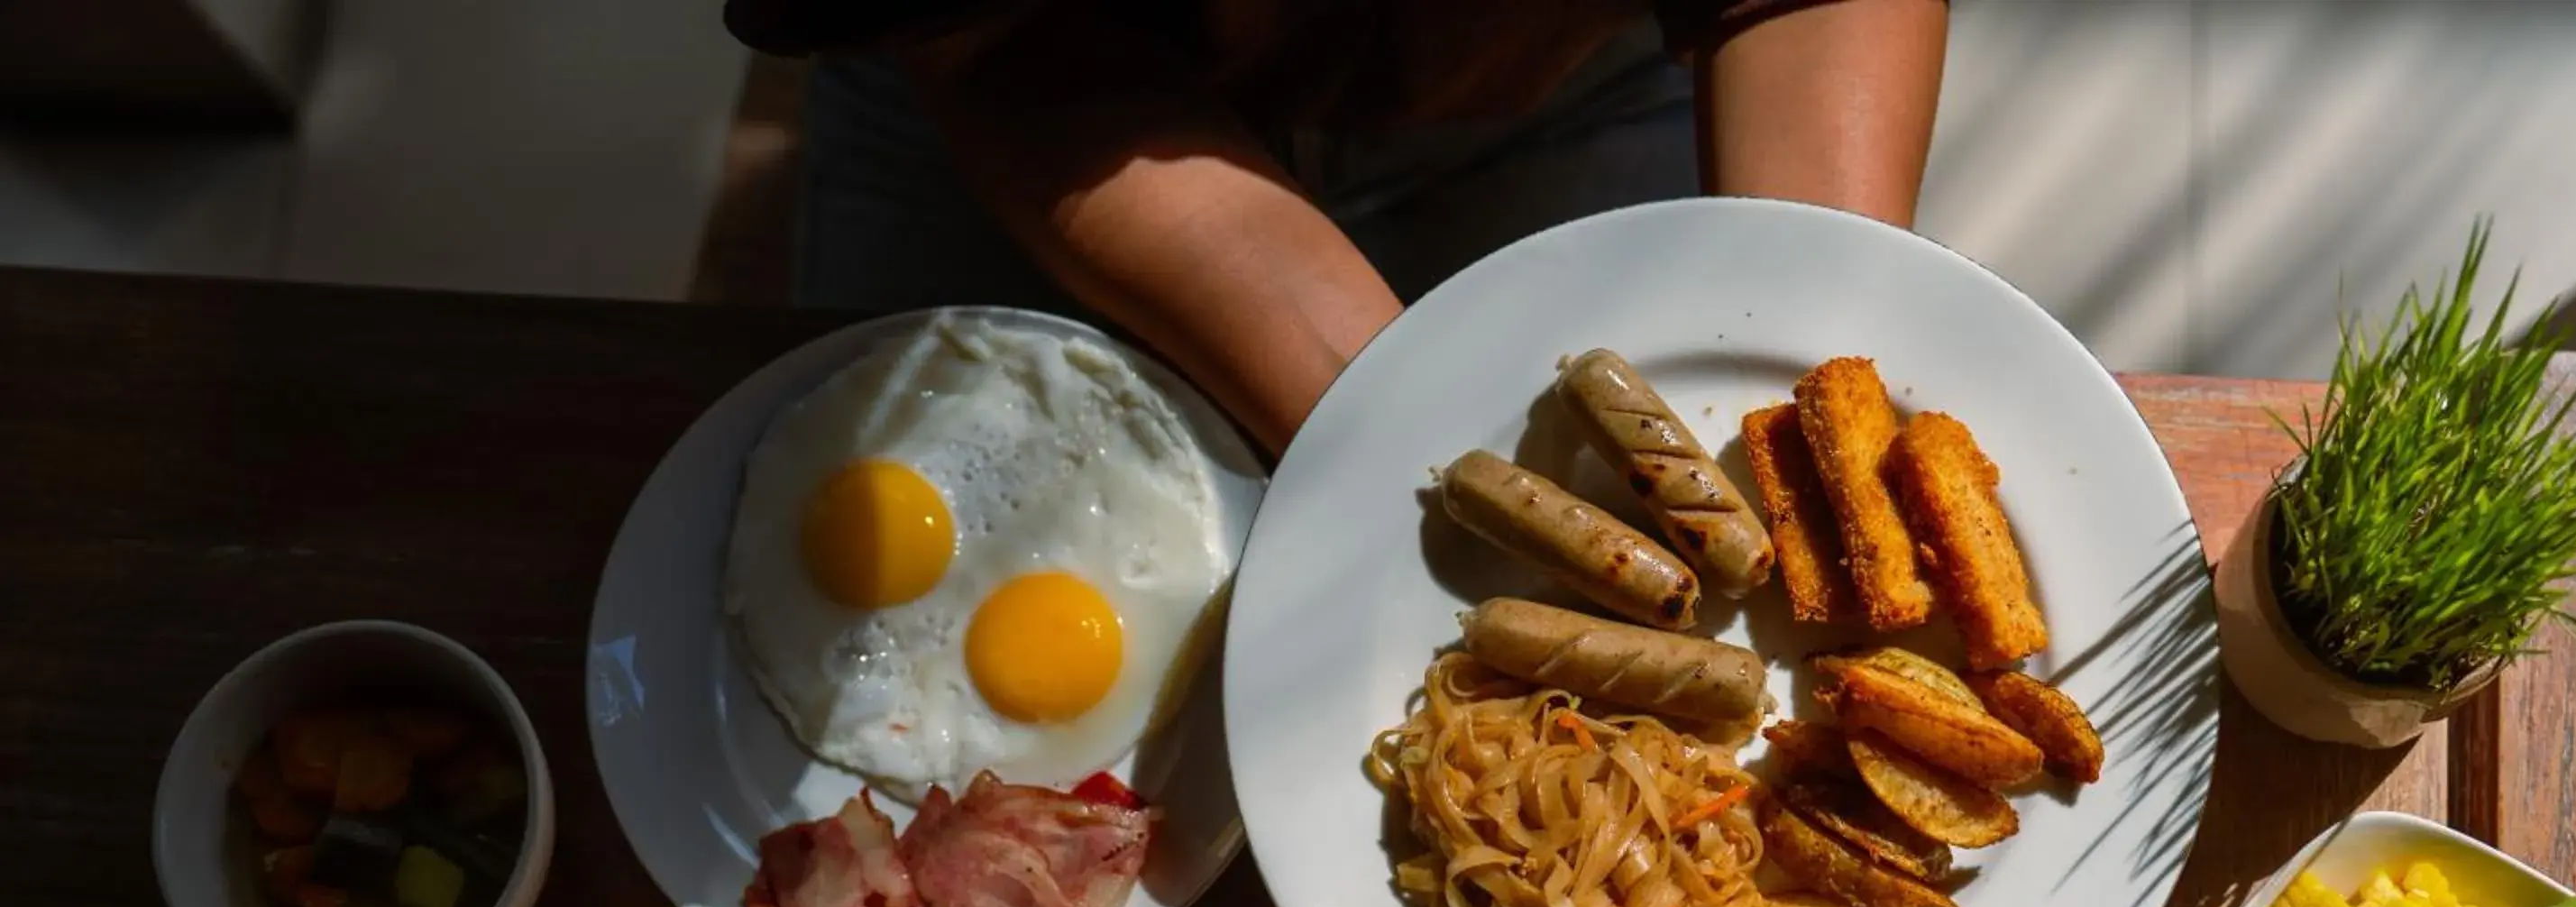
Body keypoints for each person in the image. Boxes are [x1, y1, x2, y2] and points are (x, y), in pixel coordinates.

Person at [727, 0, 1948, 452]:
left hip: (1568, 58)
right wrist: (1398, 422)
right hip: (1029, 72)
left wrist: (1820, 337)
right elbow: (1006, 54)